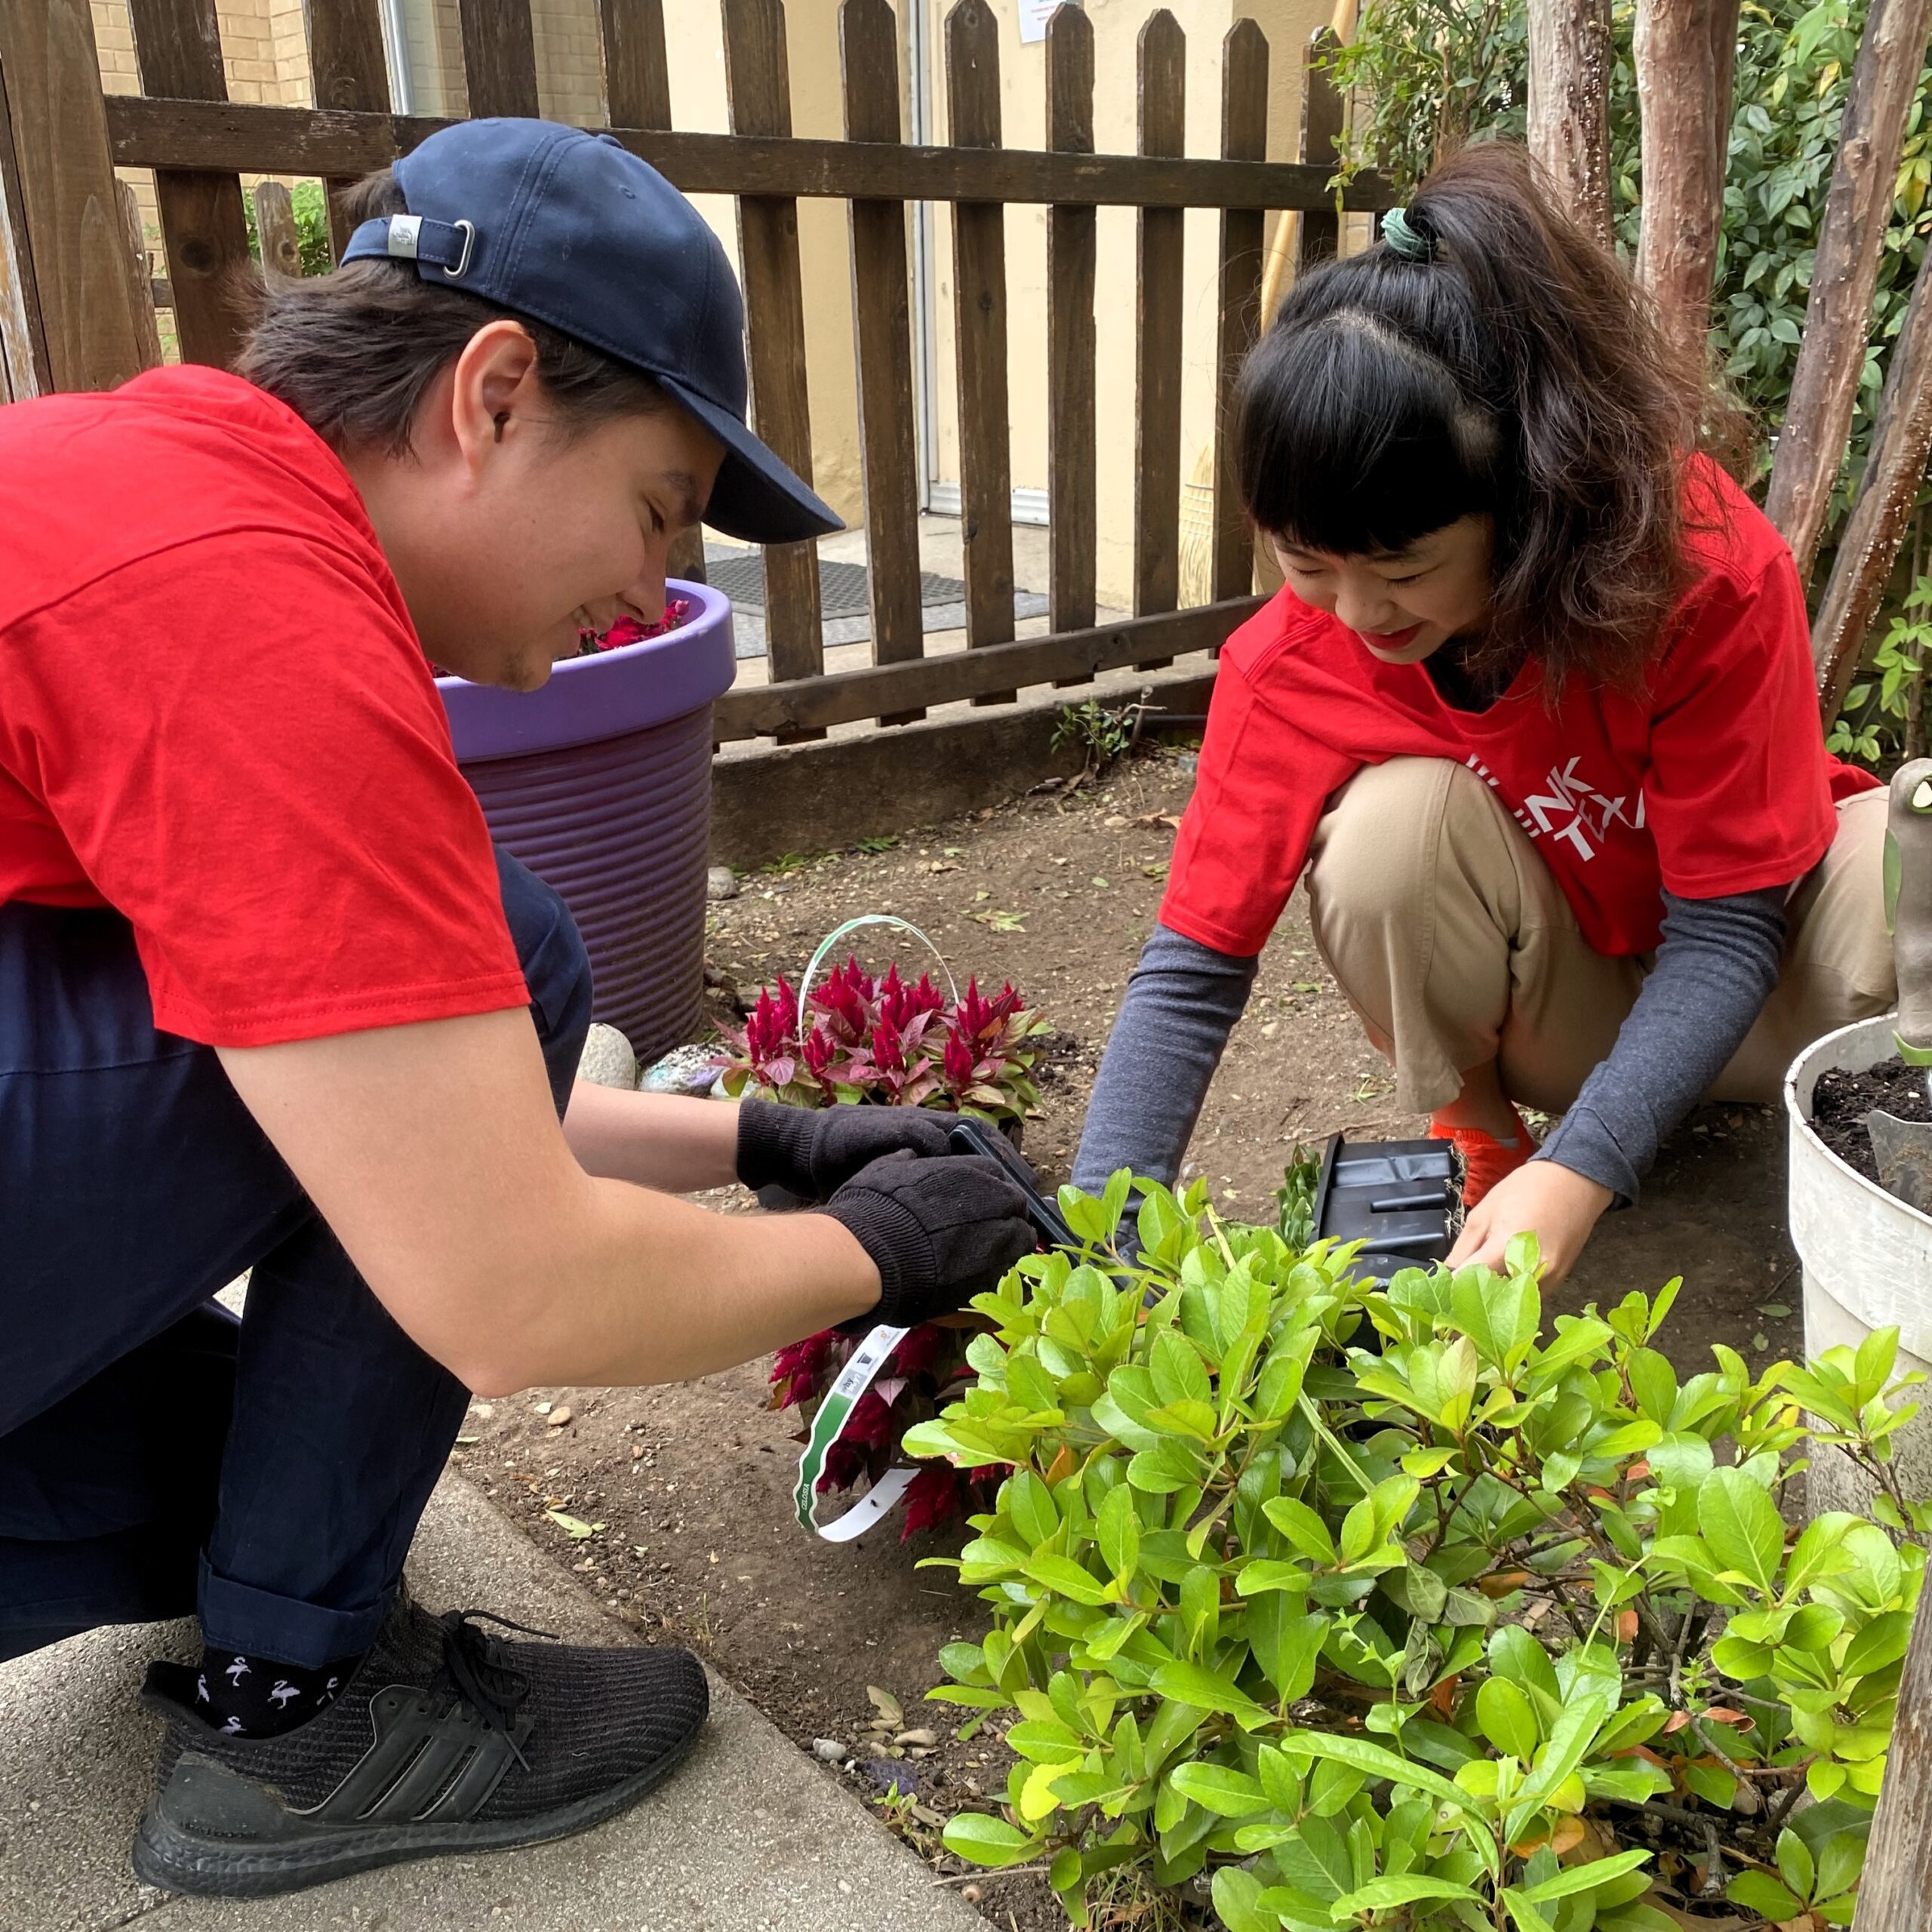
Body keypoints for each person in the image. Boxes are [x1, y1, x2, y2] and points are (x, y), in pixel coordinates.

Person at [0, 118, 1035, 1897]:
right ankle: (298, 1721)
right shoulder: (257, 611)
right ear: (489, 392)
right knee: (510, 934)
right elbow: (497, 1277)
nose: (655, 584)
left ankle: (280, 1633)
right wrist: (879, 1248)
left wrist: (771, 1138)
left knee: (242, 1480)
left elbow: (377, 1103)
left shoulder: (151, 471)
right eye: (652, 506)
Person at [1073, 142, 1894, 1279]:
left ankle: (1883, 1188)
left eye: (1403, 567)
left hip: (1779, 982)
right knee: (1380, 846)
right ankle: (1489, 1150)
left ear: (1527, 499)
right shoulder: (1292, 662)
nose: (1356, 610)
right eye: (1306, 561)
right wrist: (1087, 1256)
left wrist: (1591, 1164)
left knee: (1923, 858)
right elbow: (1192, 971)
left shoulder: (1698, 571)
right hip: (1571, 1011)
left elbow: (1729, 926)